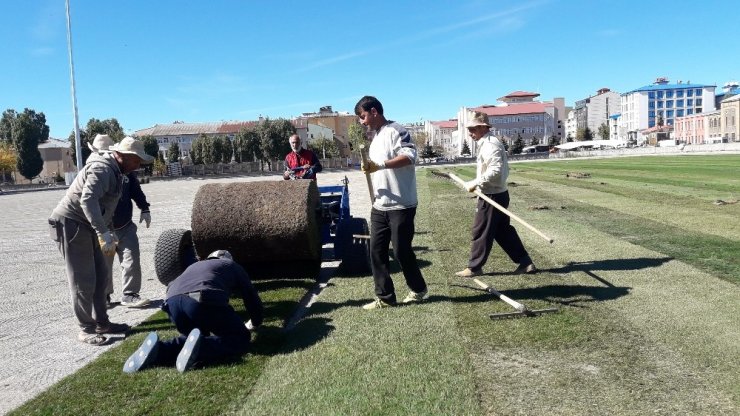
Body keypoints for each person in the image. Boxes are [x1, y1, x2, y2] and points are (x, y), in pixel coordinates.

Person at [49, 135, 154, 345]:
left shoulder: (117, 170)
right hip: (71, 223)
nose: (138, 165)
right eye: (136, 160)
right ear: (123, 155)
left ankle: (102, 323)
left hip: (87, 224)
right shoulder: (103, 169)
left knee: (101, 276)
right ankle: (86, 329)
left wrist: (110, 230)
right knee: (83, 280)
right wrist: (102, 232)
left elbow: (107, 206)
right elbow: (88, 200)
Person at [123, 250, 264, 373]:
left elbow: (171, 286)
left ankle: (160, 350)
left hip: (172, 304)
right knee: (240, 338)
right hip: (201, 299)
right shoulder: (231, 265)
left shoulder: (193, 266)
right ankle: (201, 350)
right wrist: (256, 321)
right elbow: (250, 296)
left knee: (195, 336)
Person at [354, 95, 428, 310]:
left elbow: (410, 156)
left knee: (401, 252)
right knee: (376, 251)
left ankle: (418, 289)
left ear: (374, 111)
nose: (362, 121)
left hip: (402, 204)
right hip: (380, 205)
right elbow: (376, 166)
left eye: (363, 116)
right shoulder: (374, 137)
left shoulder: (397, 130)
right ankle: (385, 297)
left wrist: (380, 165)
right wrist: (368, 166)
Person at [455, 111, 537, 278]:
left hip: (492, 196)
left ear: (482, 127)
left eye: (472, 129)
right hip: (497, 193)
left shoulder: (490, 145)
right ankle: (525, 262)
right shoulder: (486, 143)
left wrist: (476, 182)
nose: (470, 133)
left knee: (481, 231)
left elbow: (495, 170)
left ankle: (474, 267)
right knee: (503, 231)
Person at [88, 136, 152, 309]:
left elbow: (136, 191)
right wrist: (101, 230)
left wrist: (144, 208)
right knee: (104, 265)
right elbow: (88, 201)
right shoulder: (96, 172)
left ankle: (130, 294)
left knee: (131, 259)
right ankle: (104, 295)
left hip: (125, 225)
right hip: (104, 227)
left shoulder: (126, 173)